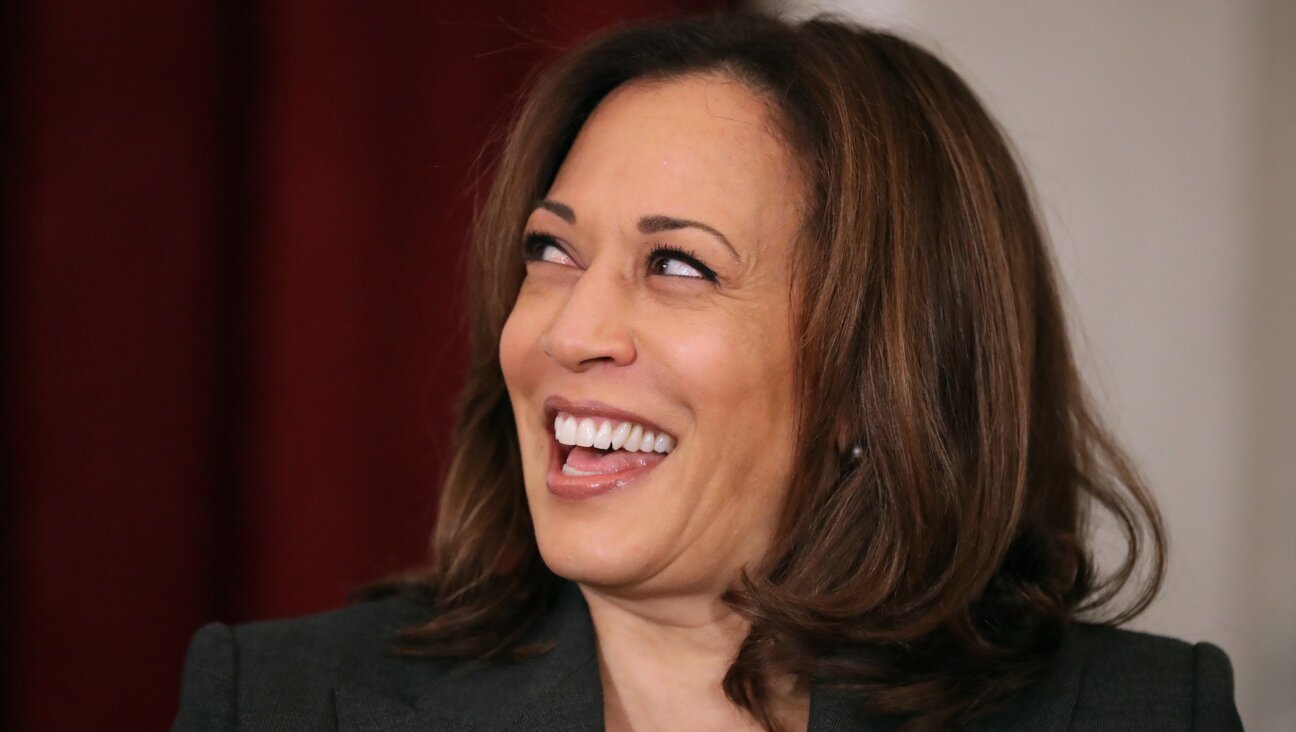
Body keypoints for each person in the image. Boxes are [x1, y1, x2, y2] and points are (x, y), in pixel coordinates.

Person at [172, 11, 1243, 731]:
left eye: (676, 265)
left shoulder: (1141, 710)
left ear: (877, 369)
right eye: (551, 253)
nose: (568, 330)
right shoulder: (278, 702)